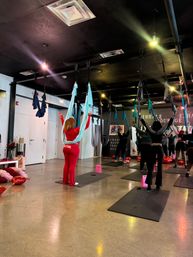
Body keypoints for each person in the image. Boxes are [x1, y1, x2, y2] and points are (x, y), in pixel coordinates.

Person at [140, 117, 174, 190]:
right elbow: (168, 124)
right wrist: (172, 117)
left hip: (152, 149)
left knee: (150, 168)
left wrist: (141, 118)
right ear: (159, 126)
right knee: (159, 168)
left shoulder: (151, 131)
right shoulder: (161, 131)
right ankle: (158, 185)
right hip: (159, 148)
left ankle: (149, 185)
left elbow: (145, 124)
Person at [59, 113, 91, 186]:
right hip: (73, 148)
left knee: (66, 164)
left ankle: (65, 181)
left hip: (66, 147)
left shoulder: (65, 130)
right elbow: (86, 126)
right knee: (72, 166)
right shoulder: (75, 130)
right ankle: (72, 182)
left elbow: (63, 124)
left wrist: (61, 117)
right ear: (73, 123)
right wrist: (89, 116)